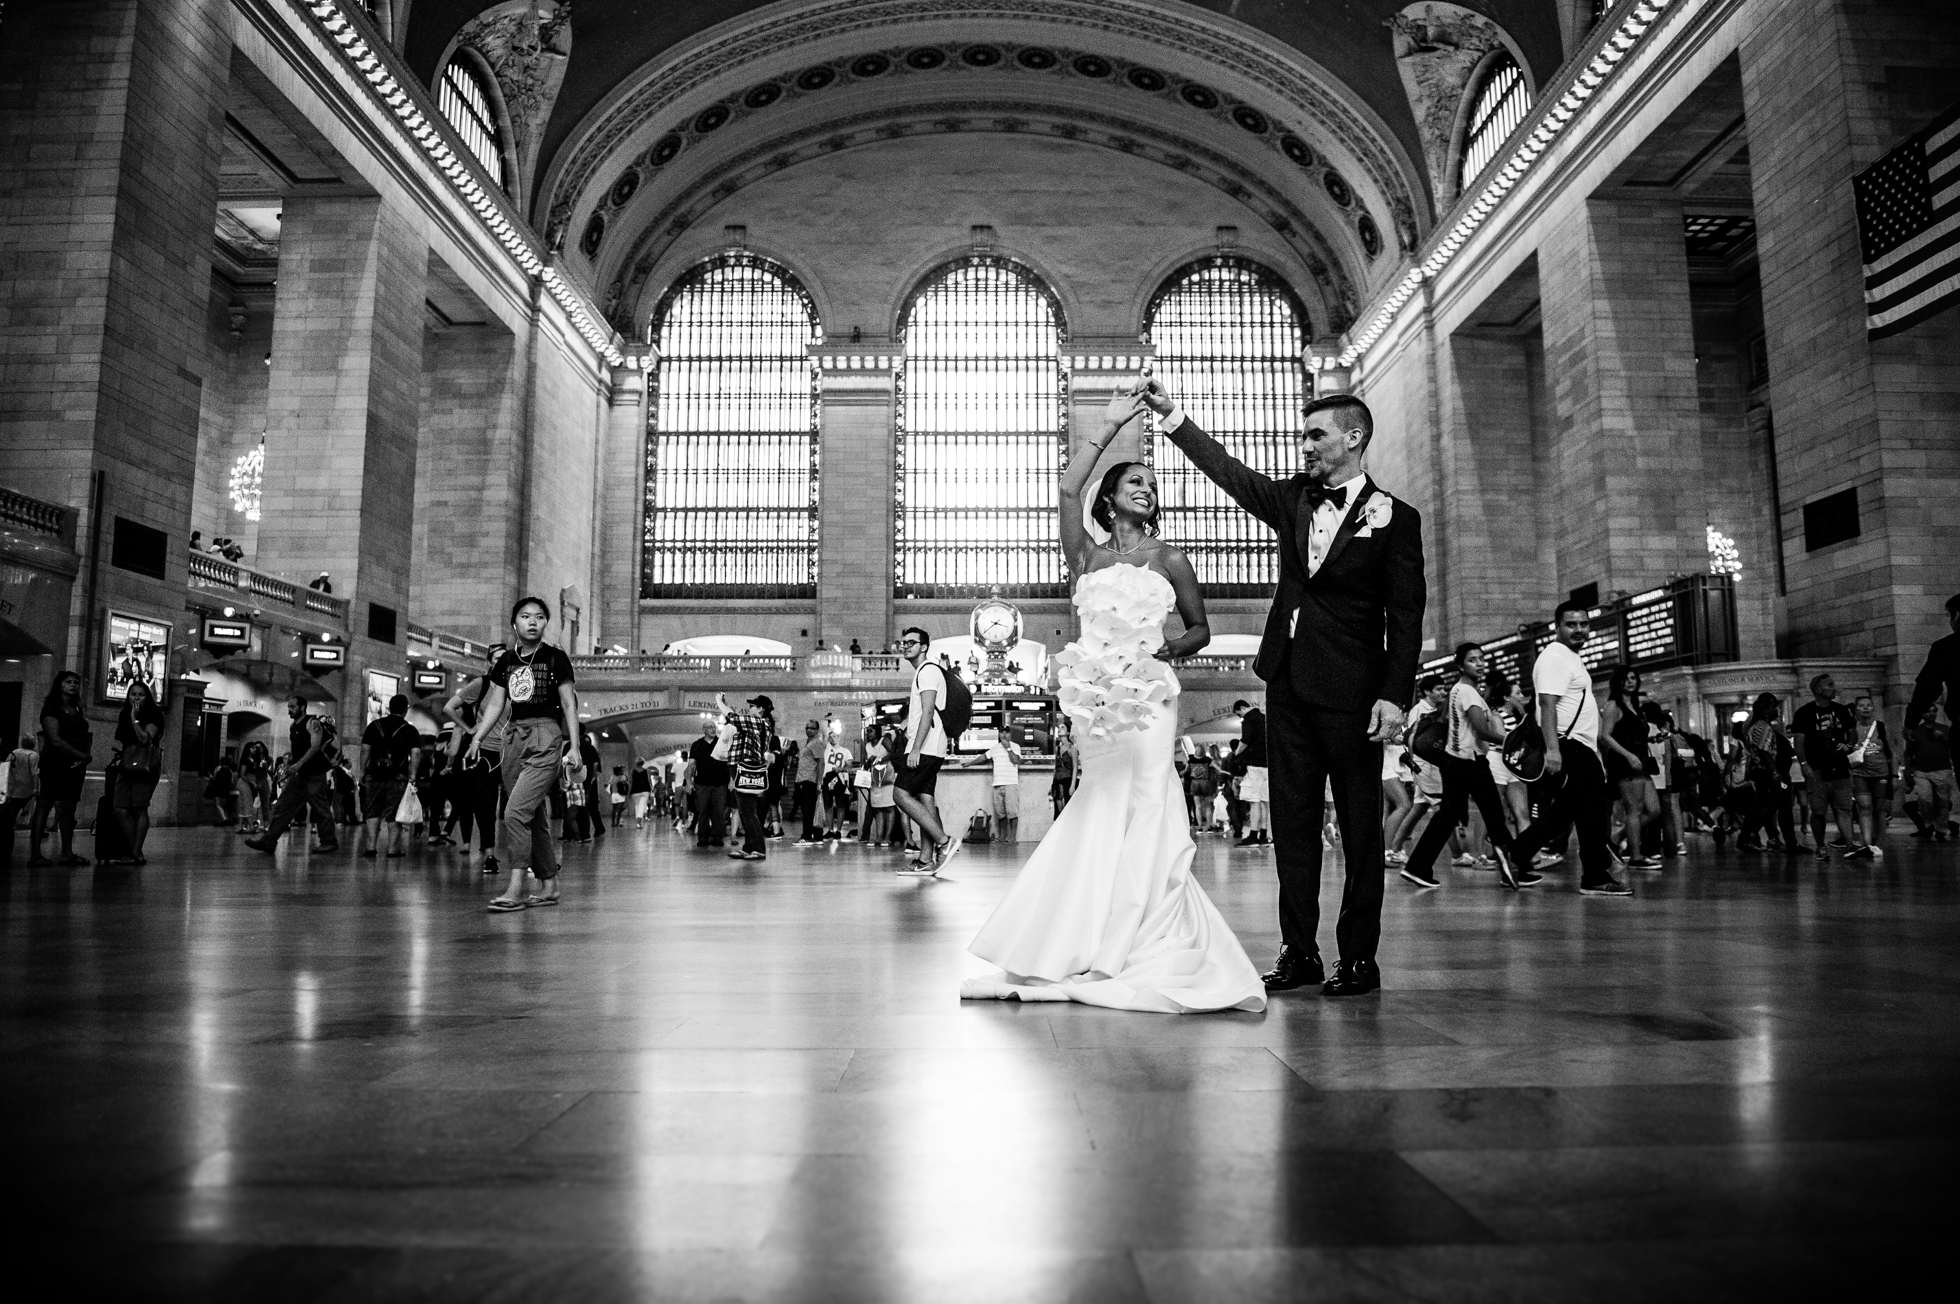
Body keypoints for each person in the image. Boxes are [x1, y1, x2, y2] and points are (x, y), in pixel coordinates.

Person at [963, 386, 1264, 1014]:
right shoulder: (1087, 555)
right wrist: (1106, 428)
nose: (1146, 487)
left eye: (1152, 482)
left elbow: (1199, 627)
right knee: (1099, 800)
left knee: (1152, 796)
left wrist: (1165, 654)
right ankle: (1084, 931)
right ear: (1110, 496)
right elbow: (1067, 490)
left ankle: (1145, 927)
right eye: (1134, 479)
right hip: (1095, 703)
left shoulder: (1171, 557)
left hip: (1151, 697)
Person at [1138, 376, 1426, 996]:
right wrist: (1173, 418)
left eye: (1316, 435)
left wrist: (1393, 695)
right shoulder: (1295, 499)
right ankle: (1300, 954)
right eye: (1303, 435)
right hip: (1287, 684)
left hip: (1354, 692)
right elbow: (1231, 473)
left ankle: (1359, 959)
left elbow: (1406, 617)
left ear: (1355, 438)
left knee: (1358, 829)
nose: (1305, 446)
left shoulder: (1397, 520)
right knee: (1293, 828)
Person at [1507, 602, 1633, 896]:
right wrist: (1553, 749)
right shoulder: (1554, 658)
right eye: (1571, 624)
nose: (1579, 630)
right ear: (1557, 627)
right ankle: (1594, 877)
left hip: (1578, 747)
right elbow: (1547, 704)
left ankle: (1516, 850)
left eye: (1583, 624)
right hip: (1569, 746)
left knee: (1565, 813)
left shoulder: (1570, 658)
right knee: (1591, 815)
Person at [465, 596, 580, 911]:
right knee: (533, 814)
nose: (533, 622)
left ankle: (517, 885)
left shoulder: (556, 657)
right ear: (514, 623)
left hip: (546, 736)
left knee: (514, 812)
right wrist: (477, 738)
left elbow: (569, 703)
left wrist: (575, 745)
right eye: (526, 616)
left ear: (546, 623)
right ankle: (549, 884)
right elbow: (495, 704)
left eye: (540, 617)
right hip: (514, 738)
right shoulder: (505, 661)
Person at [1399, 644, 1537, 891]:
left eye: (1482, 659)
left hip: (1454, 761)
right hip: (1470, 762)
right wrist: (1512, 742)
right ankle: (1517, 869)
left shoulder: (1457, 690)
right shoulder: (1469, 693)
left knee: (1450, 815)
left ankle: (1417, 866)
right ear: (1461, 666)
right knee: (1494, 817)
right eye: (1473, 660)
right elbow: (1482, 731)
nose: (1480, 663)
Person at [890, 629, 958, 874]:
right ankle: (925, 859)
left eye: (911, 643)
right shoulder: (924, 671)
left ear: (925, 646)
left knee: (900, 794)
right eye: (903, 642)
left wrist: (915, 748)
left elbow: (928, 711)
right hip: (932, 747)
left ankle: (944, 841)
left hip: (926, 747)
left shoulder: (928, 670)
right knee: (925, 800)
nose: (905, 646)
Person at [245, 697, 341, 854]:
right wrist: (290, 766)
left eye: (293, 706)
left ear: (303, 707)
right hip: (299, 775)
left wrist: (299, 764)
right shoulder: (293, 726)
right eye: (289, 706)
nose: (289, 709)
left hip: (314, 774)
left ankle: (329, 842)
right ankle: (269, 840)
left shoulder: (312, 723)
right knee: (283, 806)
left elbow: (315, 745)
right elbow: (296, 749)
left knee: (321, 808)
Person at [443, 646, 507, 877]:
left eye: (505, 658)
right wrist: (469, 729)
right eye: (497, 659)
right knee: (486, 804)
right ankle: (489, 854)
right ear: (489, 662)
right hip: (485, 751)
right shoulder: (481, 685)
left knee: (523, 807)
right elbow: (449, 707)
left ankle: (531, 856)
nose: (501, 662)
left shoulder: (516, 686)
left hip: (510, 752)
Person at [1791, 673, 1867, 860]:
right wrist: (1803, 763)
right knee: (1818, 810)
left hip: (1840, 766)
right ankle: (1820, 846)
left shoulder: (1841, 710)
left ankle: (1850, 844)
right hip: (1817, 768)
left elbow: (1852, 732)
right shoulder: (1804, 713)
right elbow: (1799, 741)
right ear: (1818, 689)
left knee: (1844, 808)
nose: (1834, 688)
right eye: (1830, 685)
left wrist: (1848, 745)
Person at [1600, 667, 1663, 870]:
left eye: (1633, 678)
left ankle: (1615, 839)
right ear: (1618, 682)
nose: (1630, 681)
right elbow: (1605, 735)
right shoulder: (1613, 705)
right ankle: (1636, 856)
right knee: (1634, 810)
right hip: (1625, 763)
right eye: (1626, 678)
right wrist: (1627, 755)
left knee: (1654, 810)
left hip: (1640, 762)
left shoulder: (1634, 705)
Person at [29, 671, 92, 867]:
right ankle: (36, 854)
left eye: (76, 682)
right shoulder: (50, 709)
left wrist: (83, 756)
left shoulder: (76, 709)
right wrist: (81, 754)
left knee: (69, 806)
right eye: (68, 682)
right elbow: (54, 740)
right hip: (55, 762)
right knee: (46, 803)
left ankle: (67, 853)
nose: (73, 685)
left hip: (74, 766)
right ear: (60, 685)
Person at [109, 677, 166, 864]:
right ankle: (135, 850)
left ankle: (136, 852)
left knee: (139, 808)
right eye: (132, 694)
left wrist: (135, 718)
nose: (136, 698)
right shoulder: (123, 714)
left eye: (141, 695)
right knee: (119, 808)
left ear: (147, 698)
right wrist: (129, 717)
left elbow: (145, 738)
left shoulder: (154, 715)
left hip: (146, 765)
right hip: (126, 764)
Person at [359, 693, 420, 858]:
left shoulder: (374, 725)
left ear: (389, 707)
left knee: (372, 810)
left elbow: (365, 749)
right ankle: (393, 850)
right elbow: (415, 753)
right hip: (398, 776)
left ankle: (371, 847)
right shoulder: (409, 730)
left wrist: (362, 772)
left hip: (375, 774)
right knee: (394, 812)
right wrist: (412, 774)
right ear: (406, 709)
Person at [1738, 694, 1799, 853]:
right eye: (1774, 706)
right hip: (1767, 774)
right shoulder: (1761, 727)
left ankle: (1789, 843)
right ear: (1766, 709)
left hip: (1769, 774)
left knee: (1777, 804)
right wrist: (1774, 773)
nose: (1776, 710)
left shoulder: (1762, 726)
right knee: (1768, 805)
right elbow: (1764, 751)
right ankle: (1747, 837)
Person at [723, 696, 777, 860]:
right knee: (746, 811)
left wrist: (719, 702)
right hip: (742, 769)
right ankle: (748, 847)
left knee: (748, 810)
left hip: (747, 770)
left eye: (752, 706)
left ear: (760, 709)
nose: (749, 708)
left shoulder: (760, 723)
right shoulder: (756, 724)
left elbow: (732, 718)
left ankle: (759, 848)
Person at [1905, 592, 1960, 731]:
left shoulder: (1946, 647)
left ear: (1957, 615)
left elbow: (1927, 688)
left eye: (1949, 616)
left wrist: (1910, 723)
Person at [1847, 694, 1893, 858]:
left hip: (1881, 772)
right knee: (1864, 806)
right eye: (1861, 705)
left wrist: (1894, 775)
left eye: (1869, 705)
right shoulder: (1851, 728)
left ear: (1874, 708)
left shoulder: (1881, 727)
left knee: (1880, 809)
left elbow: (1891, 751)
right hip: (1860, 772)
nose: (1865, 708)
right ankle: (1867, 843)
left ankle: (1879, 844)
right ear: (1855, 709)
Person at [1903, 706, 1953, 841]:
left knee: (1943, 801)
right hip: (1922, 771)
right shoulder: (1916, 731)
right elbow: (1908, 753)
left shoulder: (1945, 729)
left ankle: (1941, 829)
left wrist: (1943, 738)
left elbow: (1954, 745)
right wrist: (1907, 770)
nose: (1931, 714)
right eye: (1927, 711)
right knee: (1925, 799)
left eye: (1933, 711)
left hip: (1942, 769)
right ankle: (1929, 823)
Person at [687, 718, 729, 848]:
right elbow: (691, 765)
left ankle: (717, 836)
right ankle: (703, 837)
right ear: (704, 730)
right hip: (702, 784)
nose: (713, 729)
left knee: (718, 811)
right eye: (710, 727)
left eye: (714, 727)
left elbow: (729, 763)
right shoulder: (697, 745)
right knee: (702, 810)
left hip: (720, 783)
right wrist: (688, 781)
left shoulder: (722, 743)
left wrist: (732, 780)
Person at [1233, 699, 1270, 846]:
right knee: (1264, 802)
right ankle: (1264, 835)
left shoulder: (1248, 719)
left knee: (1254, 801)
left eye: (1238, 714)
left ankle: (1253, 835)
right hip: (1267, 765)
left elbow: (1245, 740)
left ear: (1242, 708)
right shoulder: (1264, 718)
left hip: (1254, 764)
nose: (1240, 717)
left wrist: (1237, 753)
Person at [3, 735, 38, 869]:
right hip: (27, 790)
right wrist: (35, 788)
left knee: (9, 822)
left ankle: (7, 850)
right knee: (25, 816)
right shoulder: (33, 755)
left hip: (13, 790)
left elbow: (6, 769)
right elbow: (34, 773)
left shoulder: (14, 753)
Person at [792, 719, 825, 847]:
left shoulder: (817, 743)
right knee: (809, 809)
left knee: (808, 810)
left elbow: (821, 763)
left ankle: (807, 836)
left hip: (810, 780)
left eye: (811, 728)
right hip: (803, 779)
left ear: (817, 730)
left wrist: (819, 783)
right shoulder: (810, 742)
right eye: (807, 728)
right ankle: (817, 836)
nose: (808, 730)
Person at [985, 733, 1022, 844]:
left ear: (1010, 734)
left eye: (1007, 732)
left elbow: (1016, 760)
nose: (1004, 735)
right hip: (997, 784)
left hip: (1011, 783)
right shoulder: (995, 748)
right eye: (1002, 732)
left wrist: (1008, 748)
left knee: (1012, 812)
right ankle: (1002, 836)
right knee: (1000, 813)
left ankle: (1013, 838)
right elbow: (983, 757)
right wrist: (969, 763)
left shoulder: (1016, 746)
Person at [236, 738, 272, 835]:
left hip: (258, 781)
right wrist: (253, 782)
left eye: (258, 747)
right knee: (247, 803)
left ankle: (262, 825)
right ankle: (248, 825)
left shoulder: (266, 759)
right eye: (254, 747)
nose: (256, 749)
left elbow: (269, 771)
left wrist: (264, 766)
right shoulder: (248, 759)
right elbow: (242, 774)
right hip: (249, 782)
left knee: (261, 803)